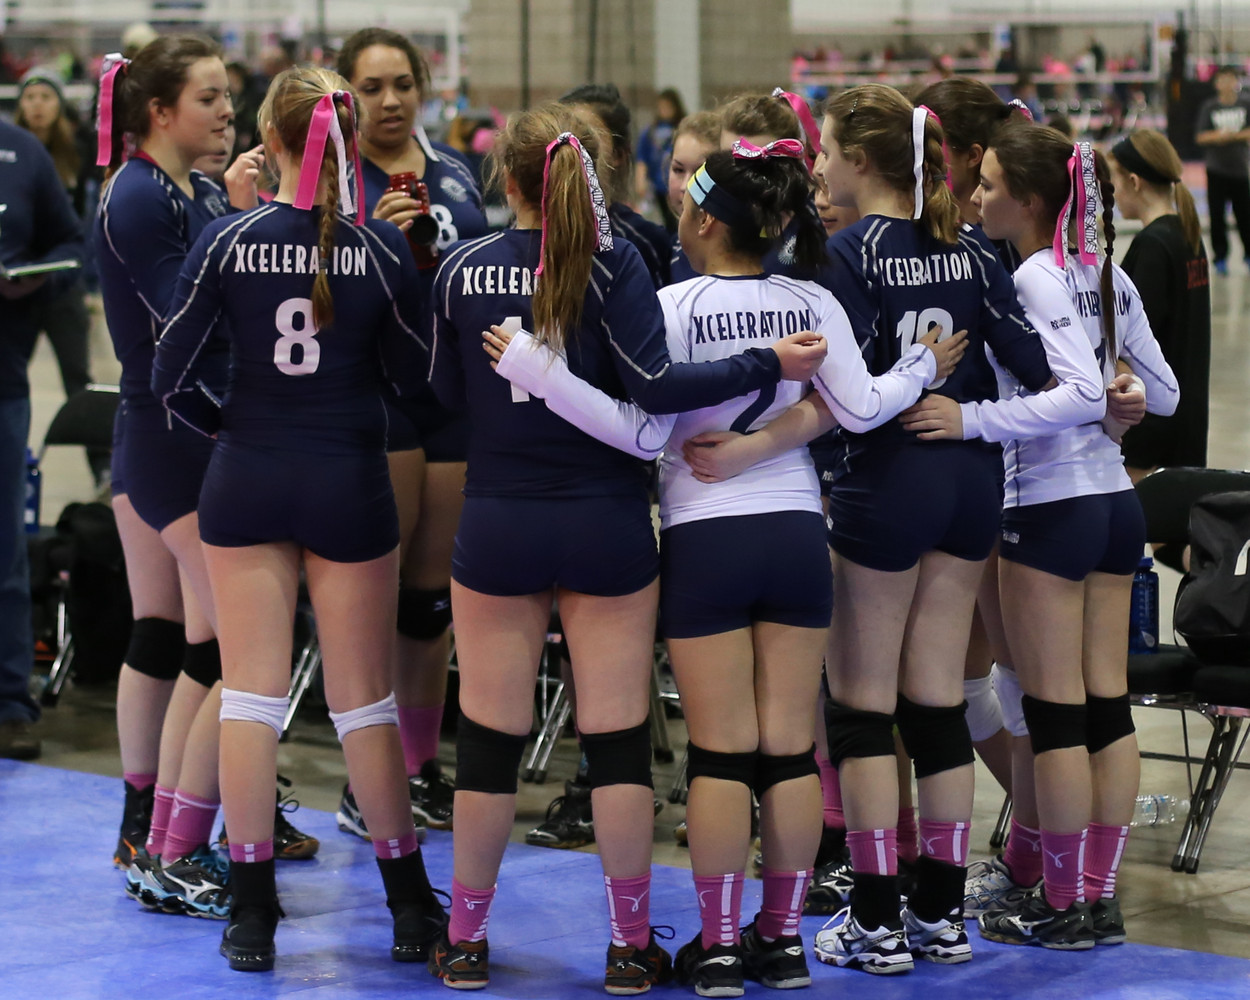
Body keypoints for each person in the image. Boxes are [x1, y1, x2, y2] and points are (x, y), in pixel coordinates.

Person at [485, 138, 965, 996]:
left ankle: (714, 948)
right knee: (789, 751)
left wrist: (542, 374)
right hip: (795, 533)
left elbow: (640, 428)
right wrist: (923, 367)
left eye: (686, 201)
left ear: (706, 220)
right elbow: (860, 409)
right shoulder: (810, 298)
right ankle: (778, 942)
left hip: (706, 538)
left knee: (720, 755)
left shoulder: (667, 304)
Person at [423, 103, 825, 993]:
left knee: (488, 742)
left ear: (507, 179)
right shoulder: (618, 263)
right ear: (593, 177)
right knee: (615, 743)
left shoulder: (458, 268)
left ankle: (466, 939)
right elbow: (658, 386)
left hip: (500, 518)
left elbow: (442, 392)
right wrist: (766, 362)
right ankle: (629, 946)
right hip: (605, 521)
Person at [698, 84, 1054, 975]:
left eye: (825, 153)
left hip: (884, 486)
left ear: (861, 161)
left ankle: (876, 920)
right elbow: (1041, 365)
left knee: (860, 708)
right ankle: (941, 916)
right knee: (937, 701)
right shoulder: (971, 249)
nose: (818, 167)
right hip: (969, 483)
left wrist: (756, 450)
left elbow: (843, 399)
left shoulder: (845, 254)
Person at [152, 65, 446, 973]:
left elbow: (168, 375)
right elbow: (419, 383)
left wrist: (234, 426)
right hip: (347, 478)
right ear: (348, 145)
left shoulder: (227, 239)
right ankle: (409, 906)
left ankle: (252, 914)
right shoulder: (381, 249)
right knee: (364, 703)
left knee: (251, 696)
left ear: (274, 142)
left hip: (248, 476)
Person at [912, 123, 1177, 948]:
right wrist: (1125, 393)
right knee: (1107, 708)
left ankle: (1062, 905)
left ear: (1029, 201)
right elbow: (1163, 392)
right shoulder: (1107, 271)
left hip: (1050, 508)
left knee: (1056, 713)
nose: (975, 195)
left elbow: (1075, 395)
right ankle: (1096, 897)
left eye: (989, 184)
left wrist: (970, 420)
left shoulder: (1033, 274)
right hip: (1115, 507)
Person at [94, 35, 253, 914]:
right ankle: (167, 841)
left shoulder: (190, 189)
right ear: (160, 112)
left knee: (196, 642)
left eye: (228, 96)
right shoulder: (138, 195)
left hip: (180, 427)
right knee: (228, 647)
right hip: (172, 431)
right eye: (209, 98)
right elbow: (187, 318)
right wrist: (256, 232)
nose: (228, 112)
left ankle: (164, 834)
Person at [335, 27, 490, 838]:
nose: (390, 101)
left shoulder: (455, 172)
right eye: (371, 88)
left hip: (450, 395)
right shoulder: (332, 182)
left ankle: (420, 766)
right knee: (374, 596)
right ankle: (365, 779)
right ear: (346, 96)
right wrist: (377, 242)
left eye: (402, 84)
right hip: (376, 392)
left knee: (429, 603)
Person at [0, 117, 84, 760]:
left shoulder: (21, 152)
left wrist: (37, 278)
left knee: (5, 551)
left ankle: (9, 703)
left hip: (2, 380)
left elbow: (71, 243)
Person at [14, 66, 107, 484]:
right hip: (16, 282)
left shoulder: (79, 149)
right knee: (10, 378)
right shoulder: (10, 151)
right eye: (30, 97)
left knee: (78, 377)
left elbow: (86, 223)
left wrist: (88, 283)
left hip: (62, 280)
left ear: (59, 104)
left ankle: (101, 467)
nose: (37, 105)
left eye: (46, 97)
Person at [1110, 129, 1212, 480]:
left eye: (1115, 182)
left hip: (1152, 423)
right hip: (1187, 415)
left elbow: (1136, 343)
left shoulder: (1153, 245)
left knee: (1148, 512)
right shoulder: (1187, 233)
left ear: (1134, 182)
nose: (1113, 193)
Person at [561, 83, 672, 289]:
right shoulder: (527, 228)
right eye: (561, 134)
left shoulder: (644, 242)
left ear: (618, 154)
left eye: (586, 136)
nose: (570, 146)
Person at [1195, 66, 1250, 275]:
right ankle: (1220, 257)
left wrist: (1233, 136)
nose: (1226, 84)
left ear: (1236, 82)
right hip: (1216, 170)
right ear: (1216, 83)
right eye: (1222, 80)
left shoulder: (1245, 104)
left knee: (1244, 216)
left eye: (1230, 79)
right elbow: (1200, 136)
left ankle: (1248, 254)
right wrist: (1218, 136)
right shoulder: (1210, 107)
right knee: (1217, 217)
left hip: (1240, 170)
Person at [635, 87, 686, 230]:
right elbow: (642, 158)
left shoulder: (682, 130)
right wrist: (640, 180)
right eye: (661, 107)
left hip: (678, 184)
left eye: (668, 107)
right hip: (657, 186)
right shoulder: (650, 132)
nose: (664, 111)